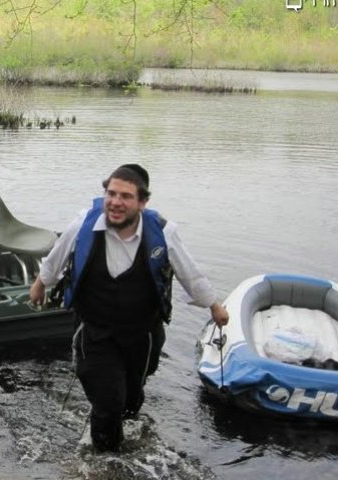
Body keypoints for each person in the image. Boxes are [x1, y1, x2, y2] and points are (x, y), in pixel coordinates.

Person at [29, 163, 228, 453]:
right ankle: (103, 462)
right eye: (111, 193)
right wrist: (39, 285)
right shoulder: (84, 223)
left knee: (131, 400)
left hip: (143, 335)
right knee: (108, 402)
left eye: (125, 196)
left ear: (143, 203)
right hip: (95, 332)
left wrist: (214, 306)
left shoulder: (163, 233)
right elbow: (56, 258)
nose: (116, 202)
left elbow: (190, 274)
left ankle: (121, 434)